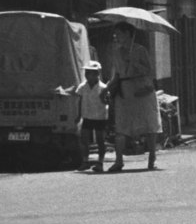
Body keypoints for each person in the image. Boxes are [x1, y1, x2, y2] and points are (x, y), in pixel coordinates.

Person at [107, 22, 161, 171]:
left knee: (149, 124)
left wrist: (135, 62)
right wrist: (105, 89)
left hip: (142, 89)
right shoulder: (116, 52)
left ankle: (152, 158)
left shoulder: (140, 50)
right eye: (115, 33)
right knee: (121, 126)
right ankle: (119, 160)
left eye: (119, 33)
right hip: (125, 91)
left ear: (128, 34)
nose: (116, 36)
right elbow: (116, 75)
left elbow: (149, 70)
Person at [65, 60, 110, 172]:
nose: (88, 75)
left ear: (97, 74)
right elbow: (79, 100)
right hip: (87, 116)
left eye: (91, 72)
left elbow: (107, 102)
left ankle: (100, 162)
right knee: (84, 139)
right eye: (87, 72)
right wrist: (79, 115)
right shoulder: (82, 87)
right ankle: (85, 161)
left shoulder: (103, 87)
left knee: (100, 140)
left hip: (100, 117)